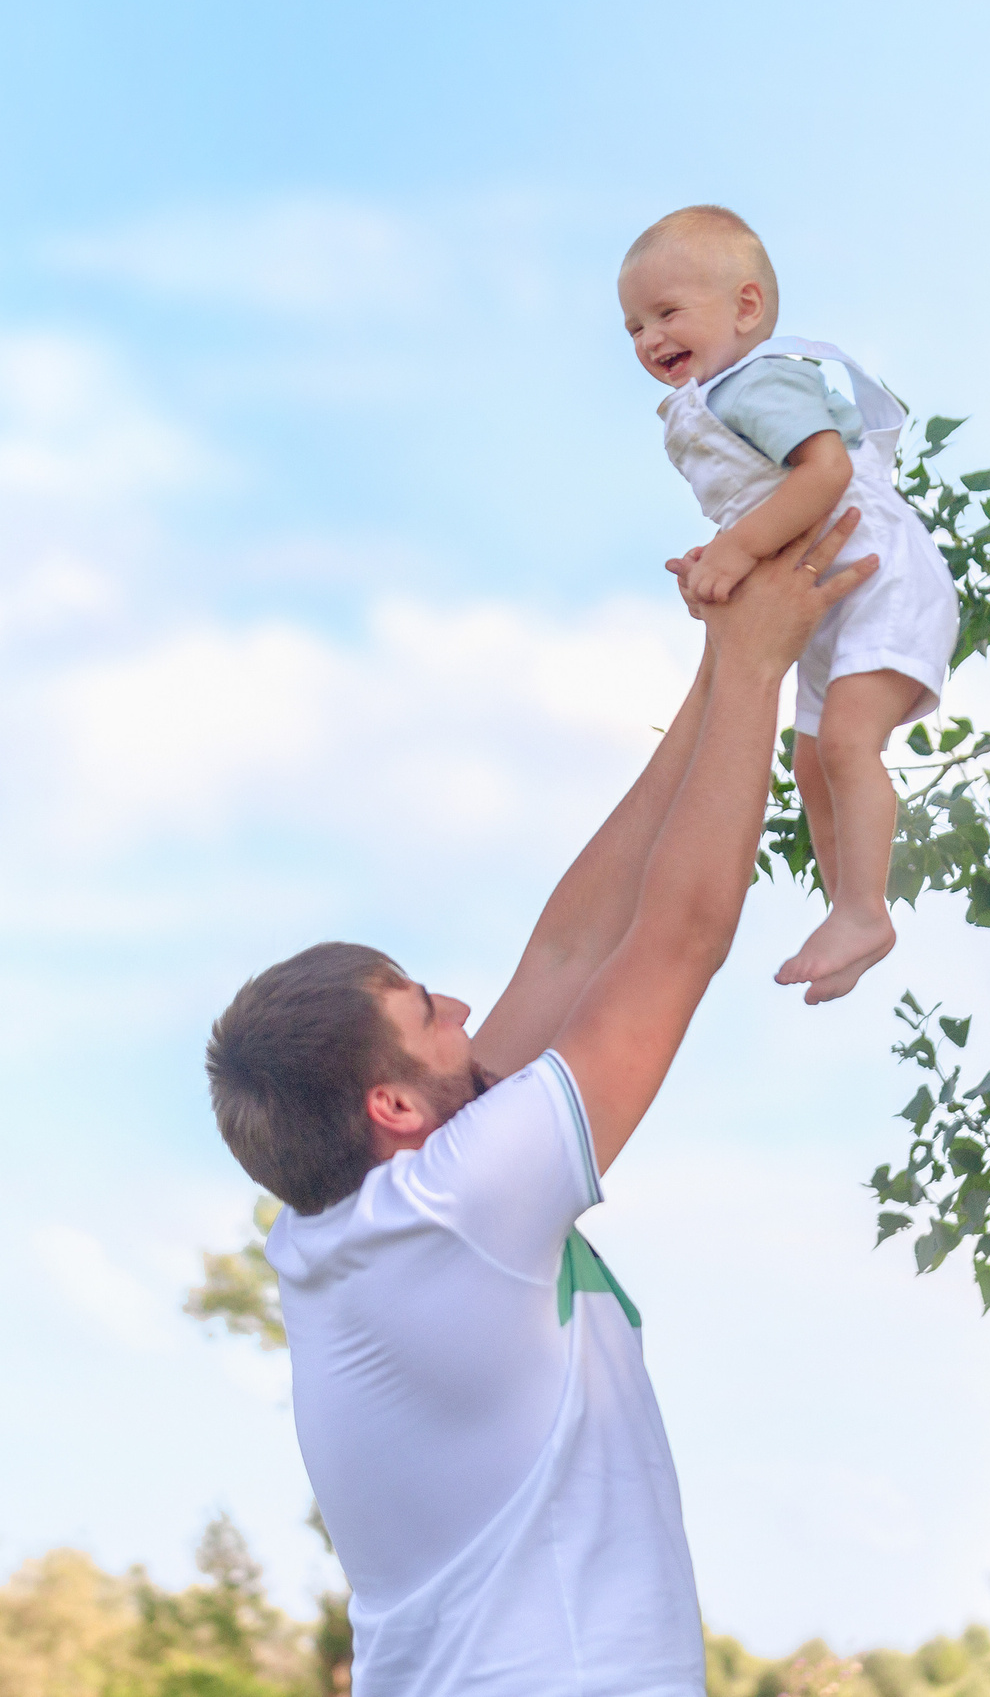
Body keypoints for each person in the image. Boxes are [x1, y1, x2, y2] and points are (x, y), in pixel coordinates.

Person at [205, 510, 878, 1697]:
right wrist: (762, 675)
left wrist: (722, 661)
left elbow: (573, 946)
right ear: (390, 1103)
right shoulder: (455, 1206)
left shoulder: (359, 1221)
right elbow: (673, 939)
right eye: (425, 1008)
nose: (463, 1006)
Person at [619, 204, 961, 1005]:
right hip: (819, 593)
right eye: (632, 326)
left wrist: (738, 549)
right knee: (811, 762)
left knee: (845, 743)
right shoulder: (721, 394)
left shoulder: (761, 378)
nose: (647, 339)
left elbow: (823, 475)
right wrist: (726, 551)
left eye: (667, 313)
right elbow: (765, 503)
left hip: (874, 571)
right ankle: (853, 922)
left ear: (746, 307)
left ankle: (862, 909)